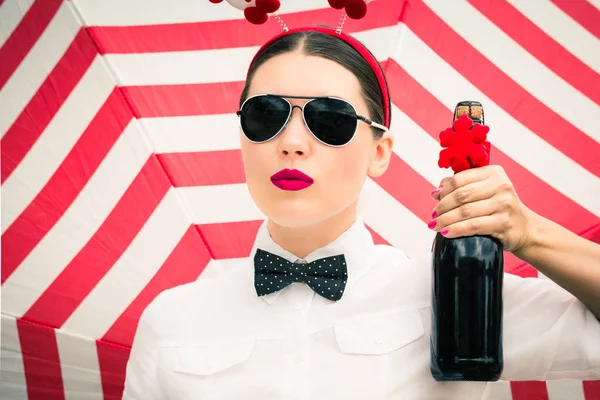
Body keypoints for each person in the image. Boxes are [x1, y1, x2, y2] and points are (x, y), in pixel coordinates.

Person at [121, 26, 600, 400]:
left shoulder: (452, 292)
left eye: (329, 119)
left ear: (380, 152)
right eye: (265, 115)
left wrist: (529, 233)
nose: (290, 143)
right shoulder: (172, 322)